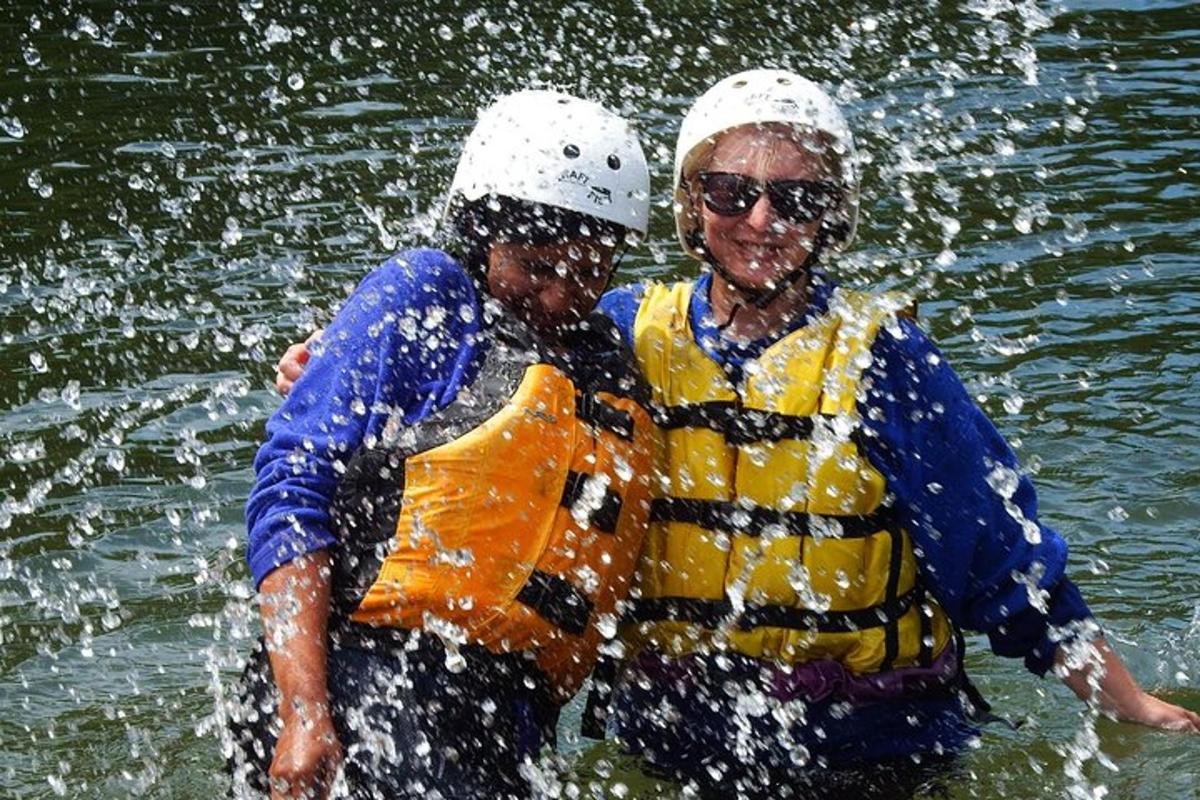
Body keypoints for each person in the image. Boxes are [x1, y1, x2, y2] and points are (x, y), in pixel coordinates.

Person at [274, 71, 1200, 798]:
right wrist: (326, 352)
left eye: (796, 200)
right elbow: (470, 341)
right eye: (731, 191)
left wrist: (1127, 704)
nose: (760, 221)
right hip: (668, 736)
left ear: (833, 213)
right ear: (689, 206)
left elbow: (998, 556)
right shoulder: (621, 330)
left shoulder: (885, 362)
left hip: (868, 744)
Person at [229, 89, 658, 800]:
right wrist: (305, 713)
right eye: (534, 265)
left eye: (587, 270)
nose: (558, 295)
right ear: (480, 233)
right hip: (362, 694)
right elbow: (290, 491)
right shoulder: (424, 298)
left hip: (502, 723)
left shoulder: (608, 350)